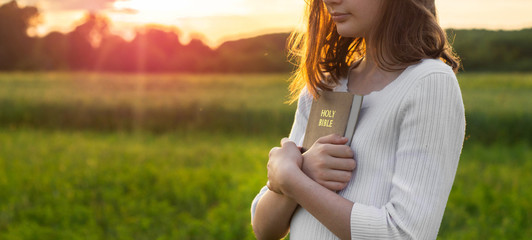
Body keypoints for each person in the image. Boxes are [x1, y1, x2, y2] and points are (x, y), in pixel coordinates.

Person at [250, 0, 466, 239]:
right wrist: (304, 171)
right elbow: (264, 228)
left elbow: (403, 234)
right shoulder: (325, 85)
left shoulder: (429, 83)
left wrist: (293, 179)